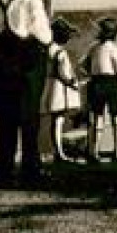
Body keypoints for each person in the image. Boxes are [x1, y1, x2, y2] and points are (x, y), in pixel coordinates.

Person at [0, 0, 52, 183]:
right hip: (28, 64)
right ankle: (30, 168)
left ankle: (5, 169)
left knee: (7, 118)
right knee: (29, 117)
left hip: (4, 63)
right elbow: (44, 35)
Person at [83, 17, 117, 164]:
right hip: (111, 82)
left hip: (95, 82)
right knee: (116, 118)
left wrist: (90, 73)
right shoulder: (113, 48)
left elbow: (81, 65)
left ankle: (94, 152)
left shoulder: (93, 47)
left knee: (97, 118)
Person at [42, 16, 81, 163]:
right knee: (58, 120)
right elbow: (64, 74)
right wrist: (73, 83)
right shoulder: (61, 52)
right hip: (58, 89)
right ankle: (59, 153)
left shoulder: (47, 50)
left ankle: (57, 151)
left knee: (55, 120)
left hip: (48, 85)